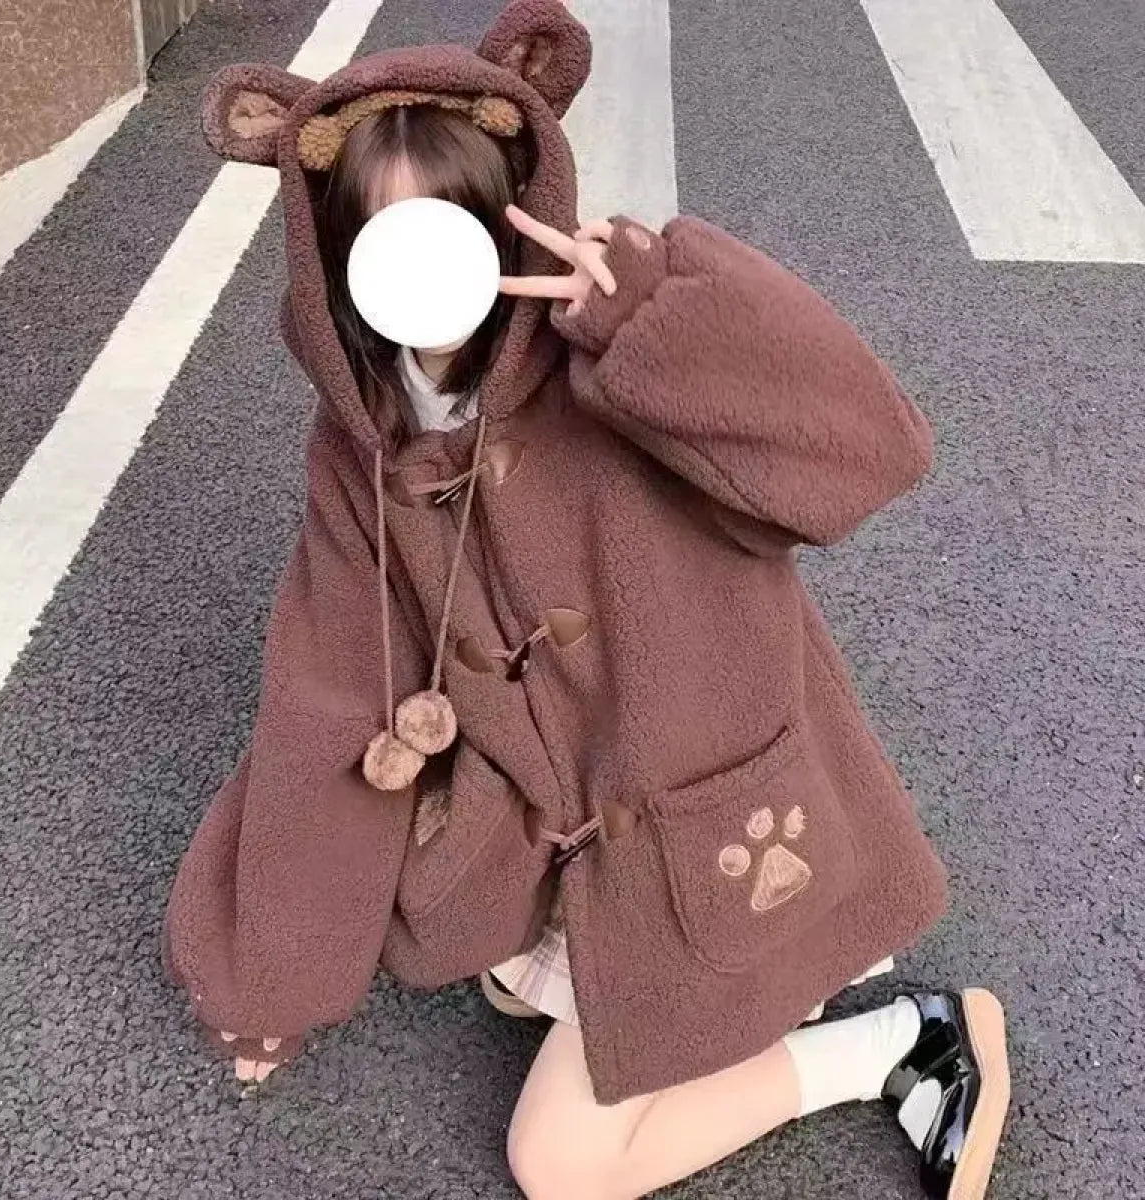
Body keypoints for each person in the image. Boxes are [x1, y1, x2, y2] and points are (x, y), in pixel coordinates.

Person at [164, 3, 1011, 1197]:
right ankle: (596, 966)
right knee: (501, 967)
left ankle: (902, 1042)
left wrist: (662, 313)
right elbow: (330, 689)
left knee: (560, 1163)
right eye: (384, 233)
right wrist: (271, 970)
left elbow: (870, 449)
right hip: (565, 821)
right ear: (337, 255)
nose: (425, 264)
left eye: (452, 223)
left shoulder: (614, 356)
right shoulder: (364, 442)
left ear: (512, 210)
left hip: (715, 817)